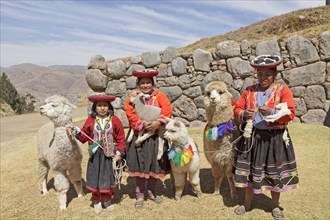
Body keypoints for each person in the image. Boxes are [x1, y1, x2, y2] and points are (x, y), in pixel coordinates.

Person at [233, 55, 299, 220]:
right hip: (252, 138)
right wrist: (243, 113)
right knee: (249, 171)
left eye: (267, 75)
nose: (263, 78)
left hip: (274, 138)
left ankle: (275, 206)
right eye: (260, 74)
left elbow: (290, 113)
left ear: (274, 74)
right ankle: (247, 203)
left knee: (274, 172)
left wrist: (271, 112)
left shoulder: (283, 91)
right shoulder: (249, 91)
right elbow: (237, 108)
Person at [67, 95, 126, 213]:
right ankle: (97, 200)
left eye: (105, 105)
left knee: (108, 178)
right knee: (95, 177)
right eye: (99, 105)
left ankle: (107, 200)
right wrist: (75, 130)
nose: (102, 108)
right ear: (95, 107)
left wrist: (119, 152)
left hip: (109, 155)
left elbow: (120, 138)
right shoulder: (91, 120)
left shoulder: (115, 120)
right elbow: (84, 137)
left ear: (109, 107)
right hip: (95, 156)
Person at [125, 69, 172, 208]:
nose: (145, 86)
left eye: (148, 83)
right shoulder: (133, 97)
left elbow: (167, 111)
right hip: (138, 137)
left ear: (152, 83)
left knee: (153, 165)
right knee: (139, 166)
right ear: (138, 83)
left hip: (155, 137)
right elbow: (129, 112)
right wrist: (141, 123)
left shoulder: (160, 97)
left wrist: (157, 123)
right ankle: (139, 194)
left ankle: (152, 191)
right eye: (143, 83)